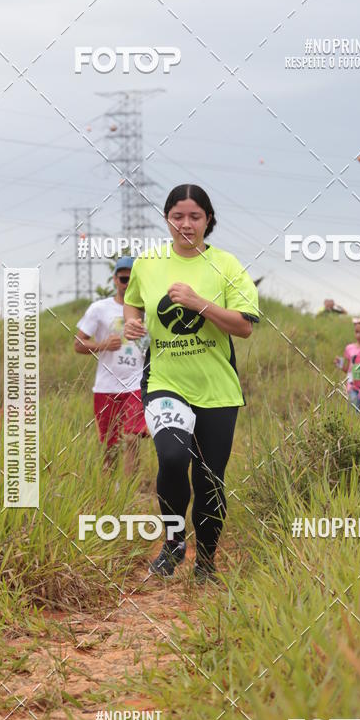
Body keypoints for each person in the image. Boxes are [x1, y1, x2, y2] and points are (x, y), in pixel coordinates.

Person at [123, 184, 259, 583]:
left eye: (195, 216)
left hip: (217, 390)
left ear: (208, 220)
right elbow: (133, 299)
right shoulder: (148, 264)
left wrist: (199, 302)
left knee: (209, 479)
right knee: (171, 457)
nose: (186, 224)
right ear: (167, 219)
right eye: (177, 216)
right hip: (166, 381)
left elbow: (244, 326)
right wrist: (131, 322)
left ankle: (207, 562)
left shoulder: (227, 265)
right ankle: (174, 543)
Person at [74, 257, 148, 472]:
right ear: (115, 280)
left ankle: (129, 492)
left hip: (136, 383)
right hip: (106, 386)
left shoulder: (148, 309)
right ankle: (110, 494)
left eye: (132, 278)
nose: (127, 283)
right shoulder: (99, 308)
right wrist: (103, 345)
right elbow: (78, 344)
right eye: (123, 278)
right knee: (110, 445)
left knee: (133, 438)